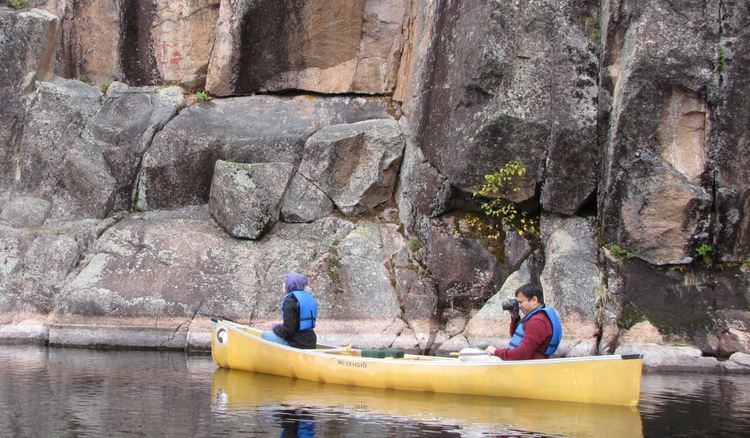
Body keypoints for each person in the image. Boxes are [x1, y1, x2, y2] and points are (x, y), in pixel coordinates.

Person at [485, 283, 562, 360]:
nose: (519, 306)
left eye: (521, 302)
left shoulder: (537, 322)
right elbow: (518, 337)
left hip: (531, 366)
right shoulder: (540, 316)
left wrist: (496, 351)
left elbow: (522, 354)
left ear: (534, 300)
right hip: (535, 362)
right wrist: (515, 317)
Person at [261, 272, 318, 349]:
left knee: (264, 335)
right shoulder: (309, 298)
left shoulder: (290, 301)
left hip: (297, 344)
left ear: (291, 284)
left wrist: (275, 328)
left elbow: (288, 331)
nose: (283, 284)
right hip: (311, 342)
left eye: (285, 282)